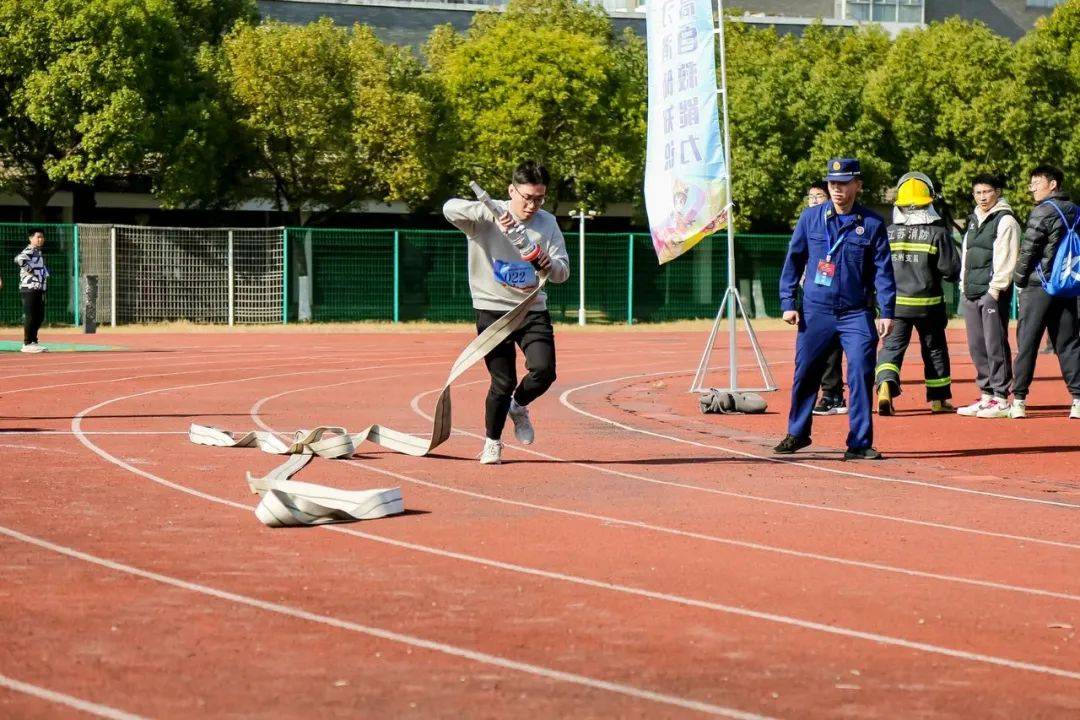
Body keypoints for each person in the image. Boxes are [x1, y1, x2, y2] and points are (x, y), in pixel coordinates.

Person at [443, 161, 571, 464]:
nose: (532, 205)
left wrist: (547, 264)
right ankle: (492, 441)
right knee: (501, 381)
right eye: (526, 197)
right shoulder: (486, 217)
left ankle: (519, 405)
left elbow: (563, 271)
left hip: (531, 309)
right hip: (493, 311)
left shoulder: (547, 223)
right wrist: (490, 212)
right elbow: (449, 208)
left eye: (539, 198)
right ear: (511, 191)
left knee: (544, 371)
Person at [775, 158, 895, 460]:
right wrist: (788, 302)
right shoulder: (810, 218)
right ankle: (797, 433)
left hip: (856, 312)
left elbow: (883, 270)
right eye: (832, 185)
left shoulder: (872, 224)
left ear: (858, 185)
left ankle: (859, 442)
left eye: (843, 184)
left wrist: (887, 310)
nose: (837, 190)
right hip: (816, 311)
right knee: (806, 373)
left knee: (861, 371)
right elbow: (794, 261)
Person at [875, 173, 960, 415]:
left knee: (891, 349)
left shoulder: (887, 233)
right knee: (934, 350)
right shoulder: (938, 233)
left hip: (894, 306)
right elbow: (951, 270)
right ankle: (939, 399)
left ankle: (885, 388)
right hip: (929, 306)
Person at [1010, 164, 1080, 420]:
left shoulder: (1042, 211)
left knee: (1027, 343)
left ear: (1053, 184)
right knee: (1069, 343)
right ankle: (1078, 399)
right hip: (1067, 285)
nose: (1032, 188)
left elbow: (1029, 249)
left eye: (1036, 183)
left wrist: (1018, 279)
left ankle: (1018, 401)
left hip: (1038, 286)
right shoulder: (1076, 211)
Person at [955, 173, 1020, 418]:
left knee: (995, 345)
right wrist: (963, 285)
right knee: (976, 346)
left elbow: (1007, 258)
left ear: (998, 192)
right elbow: (966, 254)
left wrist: (995, 289)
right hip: (970, 291)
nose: (982, 197)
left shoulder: (1005, 220)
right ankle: (987, 395)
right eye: (978, 192)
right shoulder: (973, 220)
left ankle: (1002, 399)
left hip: (991, 292)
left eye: (987, 192)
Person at [805, 181, 847, 416]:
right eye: (810, 197)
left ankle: (832, 394)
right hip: (814, 292)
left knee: (831, 347)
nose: (813, 201)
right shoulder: (808, 221)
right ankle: (828, 392)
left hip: (836, 295)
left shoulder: (837, 221)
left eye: (818, 196)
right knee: (817, 348)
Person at [14, 228, 49, 353]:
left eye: (42, 237)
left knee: (39, 316)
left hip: (38, 288)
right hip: (29, 288)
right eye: (37, 237)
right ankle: (27, 343)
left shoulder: (37, 252)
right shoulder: (30, 250)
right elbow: (19, 259)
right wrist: (31, 270)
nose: (40, 239)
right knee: (31, 315)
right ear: (31, 238)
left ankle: (33, 341)